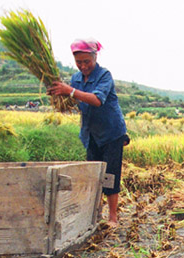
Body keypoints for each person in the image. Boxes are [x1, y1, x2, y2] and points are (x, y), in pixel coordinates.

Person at [48, 38, 127, 226]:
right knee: (92, 174)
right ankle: (94, 214)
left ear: (95, 57)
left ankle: (113, 217)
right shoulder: (76, 79)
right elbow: (71, 99)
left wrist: (70, 91)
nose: (83, 66)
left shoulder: (104, 75)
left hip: (111, 132)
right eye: (79, 62)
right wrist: (58, 94)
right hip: (91, 132)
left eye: (87, 62)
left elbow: (97, 100)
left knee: (110, 174)